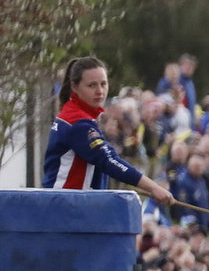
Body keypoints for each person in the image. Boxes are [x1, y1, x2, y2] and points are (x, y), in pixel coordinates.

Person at [44, 57, 177, 207]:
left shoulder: (78, 115)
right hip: (66, 207)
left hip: (72, 205)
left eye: (103, 84)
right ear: (75, 87)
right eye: (91, 85)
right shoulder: (78, 122)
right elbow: (109, 161)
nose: (100, 91)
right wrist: (154, 188)